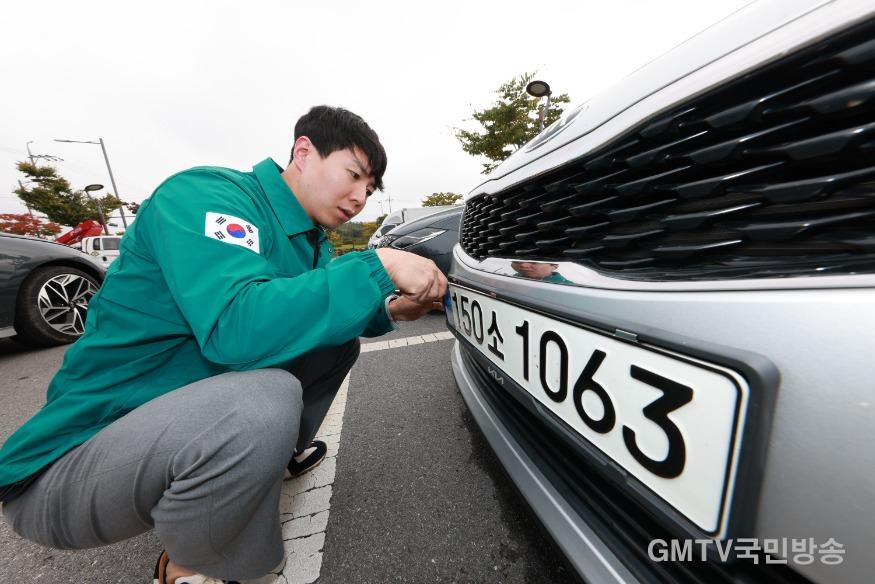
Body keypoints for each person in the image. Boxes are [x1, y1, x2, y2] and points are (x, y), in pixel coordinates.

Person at [0, 105, 448, 584]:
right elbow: (236, 326)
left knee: (333, 345)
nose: (360, 198)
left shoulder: (307, 238)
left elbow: (304, 314)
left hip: (163, 422)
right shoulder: (207, 195)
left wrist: (389, 309)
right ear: (303, 152)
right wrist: (378, 264)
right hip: (69, 465)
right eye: (354, 175)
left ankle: (269, 459)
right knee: (262, 400)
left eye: (370, 189)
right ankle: (194, 566)